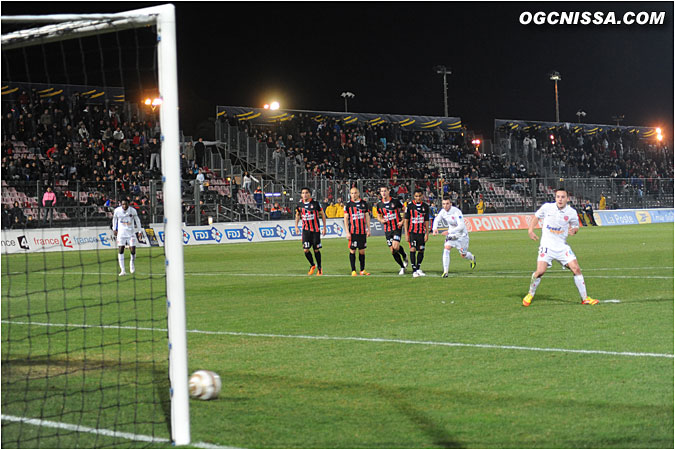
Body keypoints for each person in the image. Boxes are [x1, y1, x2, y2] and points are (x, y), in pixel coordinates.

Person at [522, 188, 598, 307]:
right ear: (555, 198)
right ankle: (530, 294)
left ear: (567, 199)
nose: (560, 199)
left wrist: (574, 230)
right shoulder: (547, 207)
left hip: (562, 247)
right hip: (547, 246)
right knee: (540, 271)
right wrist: (530, 230)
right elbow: (536, 217)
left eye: (563, 197)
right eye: (558, 197)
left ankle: (585, 298)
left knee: (576, 269)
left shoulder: (571, 212)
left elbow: (576, 226)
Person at [432, 195, 476, 277]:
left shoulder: (456, 212)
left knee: (463, 254)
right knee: (446, 248)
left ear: (451, 204)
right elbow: (437, 219)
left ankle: (472, 258)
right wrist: (434, 228)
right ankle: (445, 272)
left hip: (461, 235)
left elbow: (461, 226)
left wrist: (448, 231)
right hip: (452, 235)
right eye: (444, 204)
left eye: (447, 203)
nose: (445, 206)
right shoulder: (442, 211)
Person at [375, 185, 408, 275]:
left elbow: (405, 209)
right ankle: (402, 266)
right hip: (387, 229)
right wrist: (381, 220)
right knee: (393, 250)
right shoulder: (379, 205)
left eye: (385, 191)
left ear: (388, 191)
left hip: (397, 227)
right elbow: (378, 216)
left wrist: (403, 221)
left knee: (396, 246)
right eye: (382, 191)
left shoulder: (395, 201)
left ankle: (404, 256)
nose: (383, 193)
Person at [295, 187, 327, 276]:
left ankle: (320, 268)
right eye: (303, 193)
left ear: (309, 194)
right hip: (306, 231)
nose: (305, 194)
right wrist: (296, 226)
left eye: (306, 193)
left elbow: (323, 215)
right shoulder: (299, 205)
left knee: (316, 249)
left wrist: (324, 227)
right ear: (301, 194)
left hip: (315, 230)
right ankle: (313, 265)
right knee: (306, 250)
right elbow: (297, 215)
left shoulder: (316, 204)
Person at [402, 189, 430, 278]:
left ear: (422, 196)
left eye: (419, 196)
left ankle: (418, 268)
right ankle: (414, 270)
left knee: (421, 250)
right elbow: (406, 221)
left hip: (421, 232)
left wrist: (427, 233)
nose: (418, 198)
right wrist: (406, 234)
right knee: (413, 249)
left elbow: (426, 221)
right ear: (414, 196)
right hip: (412, 232)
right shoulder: (410, 206)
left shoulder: (425, 206)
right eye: (416, 196)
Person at [344, 186, 371, 276]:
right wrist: (347, 232)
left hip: (362, 232)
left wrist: (368, 229)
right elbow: (345, 219)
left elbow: (367, 216)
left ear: (358, 193)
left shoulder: (364, 204)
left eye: (355, 193)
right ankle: (353, 270)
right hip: (353, 232)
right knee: (352, 250)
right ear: (350, 194)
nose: (354, 195)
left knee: (362, 251)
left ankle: (362, 270)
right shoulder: (348, 205)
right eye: (352, 193)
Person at [112, 198, 143, 276]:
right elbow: (114, 219)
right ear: (121, 204)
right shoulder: (117, 211)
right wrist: (114, 229)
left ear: (129, 204)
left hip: (131, 233)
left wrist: (139, 231)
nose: (124, 206)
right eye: (123, 204)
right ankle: (123, 270)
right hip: (121, 234)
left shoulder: (133, 211)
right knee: (121, 249)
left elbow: (137, 221)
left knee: (132, 250)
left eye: (126, 204)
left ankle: (131, 264)